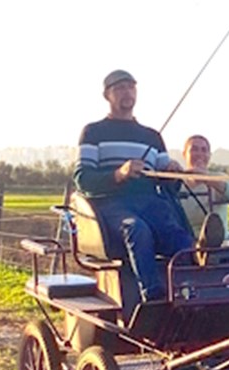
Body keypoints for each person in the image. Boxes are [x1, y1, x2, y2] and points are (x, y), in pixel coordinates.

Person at [73, 69, 200, 302]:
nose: (127, 92)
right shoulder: (93, 132)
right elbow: (83, 179)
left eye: (131, 87)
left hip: (152, 204)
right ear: (107, 95)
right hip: (111, 206)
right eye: (120, 88)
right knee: (137, 230)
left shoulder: (152, 136)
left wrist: (172, 174)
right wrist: (119, 174)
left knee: (180, 239)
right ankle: (152, 297)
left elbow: (169, 187)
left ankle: (191, 292)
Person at [180, 134, 229, 239]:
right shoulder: (176, 183)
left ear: (209, 155)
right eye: (194, 149)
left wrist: (209, 180)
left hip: (216, 245)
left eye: (204, 150)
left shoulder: (220, 178)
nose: (199, 154)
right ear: (184, 154)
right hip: (183, 241)